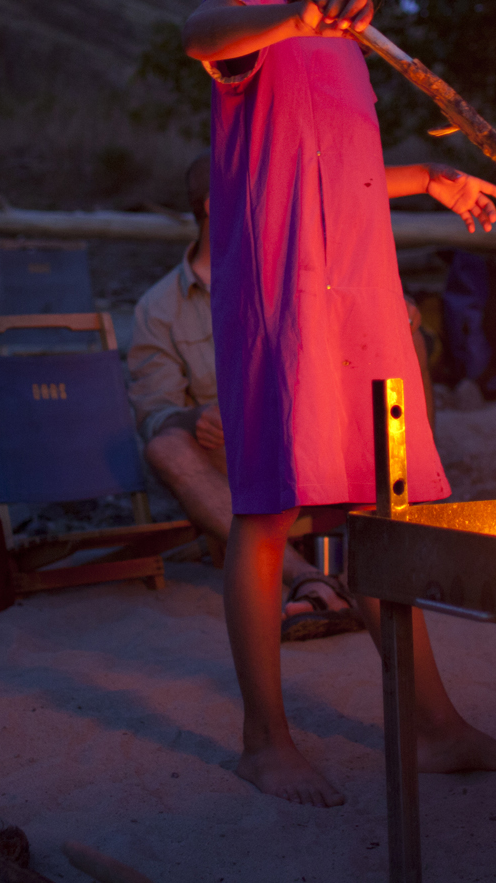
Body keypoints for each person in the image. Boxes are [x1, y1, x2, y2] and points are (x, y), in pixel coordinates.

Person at [182, 0, 496, 806]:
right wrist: (297, 16)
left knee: (379, 507)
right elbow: (202, 37)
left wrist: (424, 174)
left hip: (356, 284)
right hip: (282, 295)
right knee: (267, 509)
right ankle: (265, 737)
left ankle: (430, 725)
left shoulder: (341, 35)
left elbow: (326, 167)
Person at [128, 155, 363, 641]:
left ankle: (372, 565)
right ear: (215, 206)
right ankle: (308, 577)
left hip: (306, 438)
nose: (267, 206)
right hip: (232, 459)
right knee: (165, 446)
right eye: (254, 196)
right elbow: (154, 414)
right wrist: (196, 418)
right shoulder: (160, 307)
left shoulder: (289, 272)